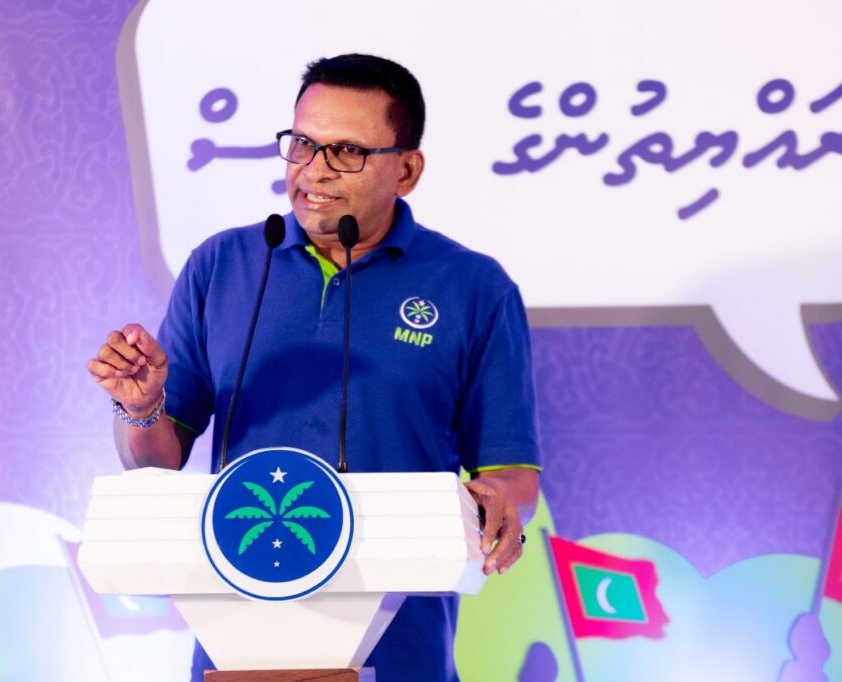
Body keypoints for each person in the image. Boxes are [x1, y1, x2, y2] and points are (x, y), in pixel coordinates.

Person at [88, 53, 541, 682]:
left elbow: (511, 473)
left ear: (407, 170)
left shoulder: (473, 286)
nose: (313, 170)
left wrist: (498, 502)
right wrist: (141, 407)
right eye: (302, 143)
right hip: (237, 648)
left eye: (347, 151)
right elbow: (156, 462)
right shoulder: (222, 266)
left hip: (402, 649)